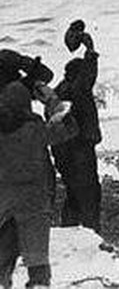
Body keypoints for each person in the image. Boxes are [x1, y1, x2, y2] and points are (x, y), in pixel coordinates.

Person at [0, 80, 76, 288]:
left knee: (3, 256)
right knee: (37, 258)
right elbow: (68, 128)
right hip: (35, 201)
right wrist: (51, 100)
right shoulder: (35, 129)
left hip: (4, 200)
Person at [52, 21, 103, 233]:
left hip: (62, 150)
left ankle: (68, 233)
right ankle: (92, 236)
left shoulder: (58, 92)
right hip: (79, 149)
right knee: (90, 193)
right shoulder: (78, 90)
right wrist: (89, 48)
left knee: (73, 194)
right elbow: (88, 76)